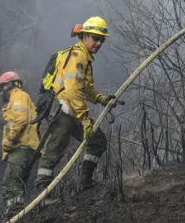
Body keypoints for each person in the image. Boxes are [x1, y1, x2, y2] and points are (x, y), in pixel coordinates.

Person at [34, 16, 123, 197]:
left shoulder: (84, 58)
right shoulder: (78, 57)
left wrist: (102, 99)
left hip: (71, 109)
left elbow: (87, 89)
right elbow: (74, 90)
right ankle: (44, 197)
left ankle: (86, 183)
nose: (98, 43)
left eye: (102, 40)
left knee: (97, 141)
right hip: (62, 110)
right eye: (95, 38)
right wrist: (84, 119)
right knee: (54, 151)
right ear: (84, 36)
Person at [0, 71, 40, 216]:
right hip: (24, 146)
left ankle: (15, 213)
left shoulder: (18, 96)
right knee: (19, 183)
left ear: (8, 85)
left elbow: (20, 120)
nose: (0, 93)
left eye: (1, 89)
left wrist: (10, 141)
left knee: (10, 183)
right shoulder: (15, 99)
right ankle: (21, 214)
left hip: (21, 146)